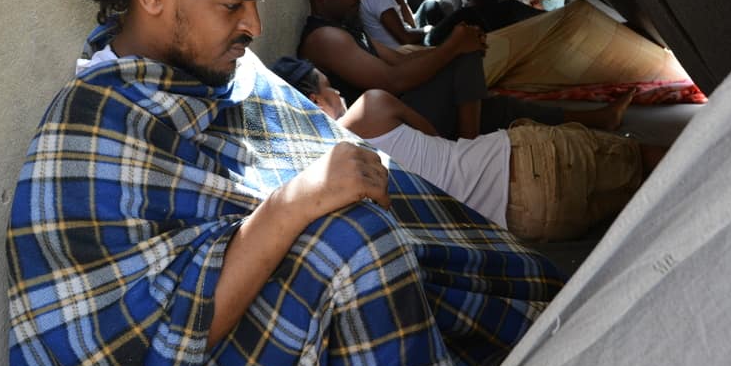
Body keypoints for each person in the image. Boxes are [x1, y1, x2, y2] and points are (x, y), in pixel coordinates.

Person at [6, 0, 563, 366]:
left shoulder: (237, 78)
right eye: (233, 5)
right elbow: (152, 342)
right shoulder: (88, 127)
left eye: (257, 2)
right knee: (353, 244)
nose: (255, 27)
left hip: (289, 329)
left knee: (387, 234)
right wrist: (296, 203)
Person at [272, 57, 655, 243]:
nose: (338, 92)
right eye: (329, 87)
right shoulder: (370, 107)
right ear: (315, 102)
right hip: (527, 161)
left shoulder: (321, 194)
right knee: (656, 162)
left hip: (530, 224)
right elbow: (435, 135)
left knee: (650, 213)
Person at [298, 0, 634, 139]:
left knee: (498, 106)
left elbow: (396, 62)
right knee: (465, 56)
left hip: (404, 110)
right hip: (388, 129)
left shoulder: (347, 29)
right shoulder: (325, 38)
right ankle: (466, 151)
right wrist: (454, 48)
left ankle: (597, 119)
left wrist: (451, 45)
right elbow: (391, 82)